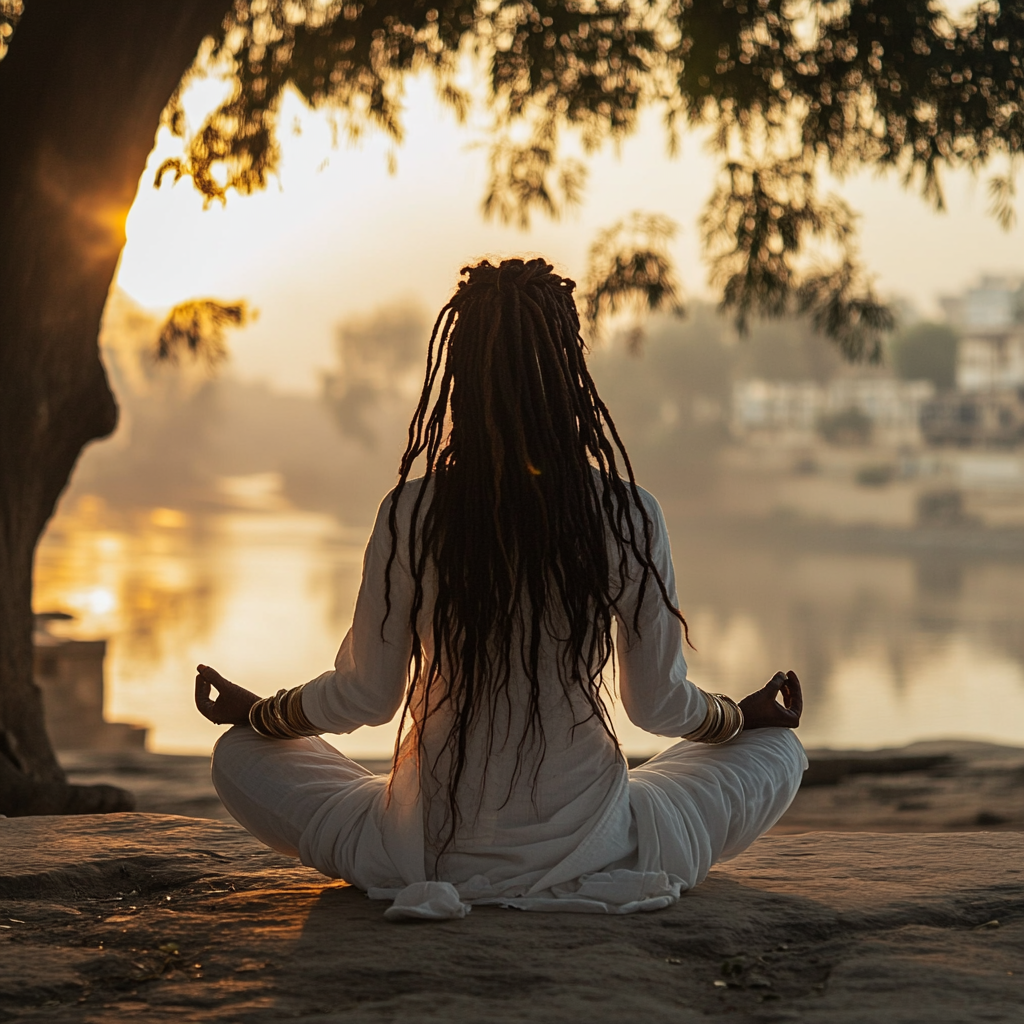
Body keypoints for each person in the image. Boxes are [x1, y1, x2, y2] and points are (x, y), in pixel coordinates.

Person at [196, 257, 806, 920]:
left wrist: (263, 716)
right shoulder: (627, 512)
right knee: (779, 749)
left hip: (418, 851)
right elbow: (658, 709)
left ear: (460, 376)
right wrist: (741, 718)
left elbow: (366, 697)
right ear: (573, 370)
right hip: (601, 847)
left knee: (239, 755)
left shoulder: (411, 511)